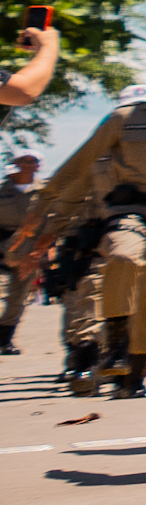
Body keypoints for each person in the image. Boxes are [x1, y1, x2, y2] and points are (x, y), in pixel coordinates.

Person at [21, 54, 146, 399]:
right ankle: (115, 342)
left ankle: (136, 374)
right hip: (129, 209)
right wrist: (42, 206)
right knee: (122, 257)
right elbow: (80, 163)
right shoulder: (124, 118)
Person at [0, 150, 37, 353]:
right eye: (24, 160)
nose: (28, 165)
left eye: (33, 161)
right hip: (3, 244)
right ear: (17, 163)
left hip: (29, 249)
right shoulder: (3, 188)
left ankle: (5, 339)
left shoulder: (44, 191)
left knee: (19, 297)